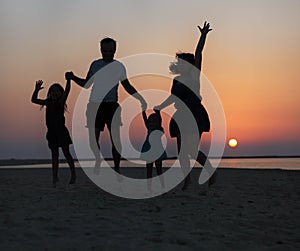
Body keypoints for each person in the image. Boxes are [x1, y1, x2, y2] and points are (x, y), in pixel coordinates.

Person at [65, 37, 146, 174]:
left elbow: (127, 85)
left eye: (111, 51)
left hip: (112, 106)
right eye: (105, 51)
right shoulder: (95, 65)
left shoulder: (119, 66)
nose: (108, 53)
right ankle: (98, 159)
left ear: (115, 50)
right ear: (101, 50)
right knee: (93, 139)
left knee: (116, 140)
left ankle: (117, 168)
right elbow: (87, 84)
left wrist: (140, 98)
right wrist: (73, 78)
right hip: (95, 105)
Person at [154, 22, 216, 190]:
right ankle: (187, 180)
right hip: (181, 115)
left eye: (184, 62)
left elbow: (199, 53)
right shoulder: (176, 80)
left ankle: (210, 171)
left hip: (195, 115)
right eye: (179, 62)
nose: (180, 64)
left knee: (191, 150)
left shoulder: (194, 76)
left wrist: (203, 36)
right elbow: (173, 98)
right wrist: (160, 106)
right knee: (182, 153)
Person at [31, 78, 76, 187]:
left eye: (57, 91)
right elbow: (34, 100)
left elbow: (68, 90)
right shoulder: (47, 102)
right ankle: (55, 177)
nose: (55, 93)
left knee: (66, 153)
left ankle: (73, 174)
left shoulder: (61, 102)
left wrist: (68, 80)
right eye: (53, 91)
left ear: (61, 93)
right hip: (51, 133)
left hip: (61, 132)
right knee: (54, 156)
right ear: (50, 93)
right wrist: (36, 90)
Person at [141, 110, 166, 191]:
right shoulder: (149, 128)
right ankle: (149, 188)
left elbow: (160, 120)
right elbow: (144, 119)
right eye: (150, 121)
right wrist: (143, 111)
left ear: (157, 122)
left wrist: (158, 113)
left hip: (157, 151)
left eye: (154, 121)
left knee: (159, 170)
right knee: (149, 170)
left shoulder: (159, 129)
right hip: (148, 151)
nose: (151, 123)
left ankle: (163, 187)